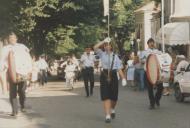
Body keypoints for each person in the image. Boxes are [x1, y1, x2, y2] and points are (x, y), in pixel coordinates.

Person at [93, 37, 126, 123]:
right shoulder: (101, 54)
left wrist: (123, 78)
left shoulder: (116, 56)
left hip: (113, 75)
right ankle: (107, 115)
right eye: (105, 45)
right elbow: (95, 47)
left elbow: (119, 69)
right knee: (106, 95)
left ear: (111, 47)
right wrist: (103, 41)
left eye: (108, 45)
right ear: (104, 47)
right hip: (104, 75)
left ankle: (112, 108)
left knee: (114, 97)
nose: (107, 47)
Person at [0, 32, 32, 116]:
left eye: (13, 38)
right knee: (12, 92)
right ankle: (14, 111)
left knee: (21, 91)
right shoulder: (5, 49)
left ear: (16, 39)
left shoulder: (22, 46)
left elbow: (28, 57)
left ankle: (22, 105)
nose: (12, 39)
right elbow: (2, 60)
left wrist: (30, 69)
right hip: (11, 72)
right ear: (8, 40)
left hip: (23, 72)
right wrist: (2, 69)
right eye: (10, 38)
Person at [140, 38, 163, 109]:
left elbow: (162, 59)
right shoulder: (144, 52)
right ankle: (152, 103)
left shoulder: (158, 51)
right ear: (148, 44)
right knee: (150, 89)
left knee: (161, 87)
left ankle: (157, 99)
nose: (152, 44)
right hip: (148, 72)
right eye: (150, 42)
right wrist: (145, 60)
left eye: (153, 42)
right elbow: (141, 60)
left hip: (157, 72)